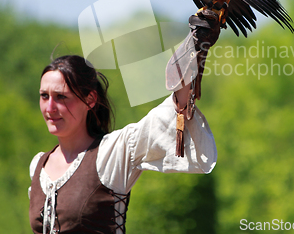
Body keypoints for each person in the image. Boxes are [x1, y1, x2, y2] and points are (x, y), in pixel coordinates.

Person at [28, 54, 217, 233]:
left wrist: (194, 47)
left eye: (61, 97)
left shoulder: (112, 152)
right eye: (44, 96)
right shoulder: (38, 165)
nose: (50, 107)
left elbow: (170, 113)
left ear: (90, 100)